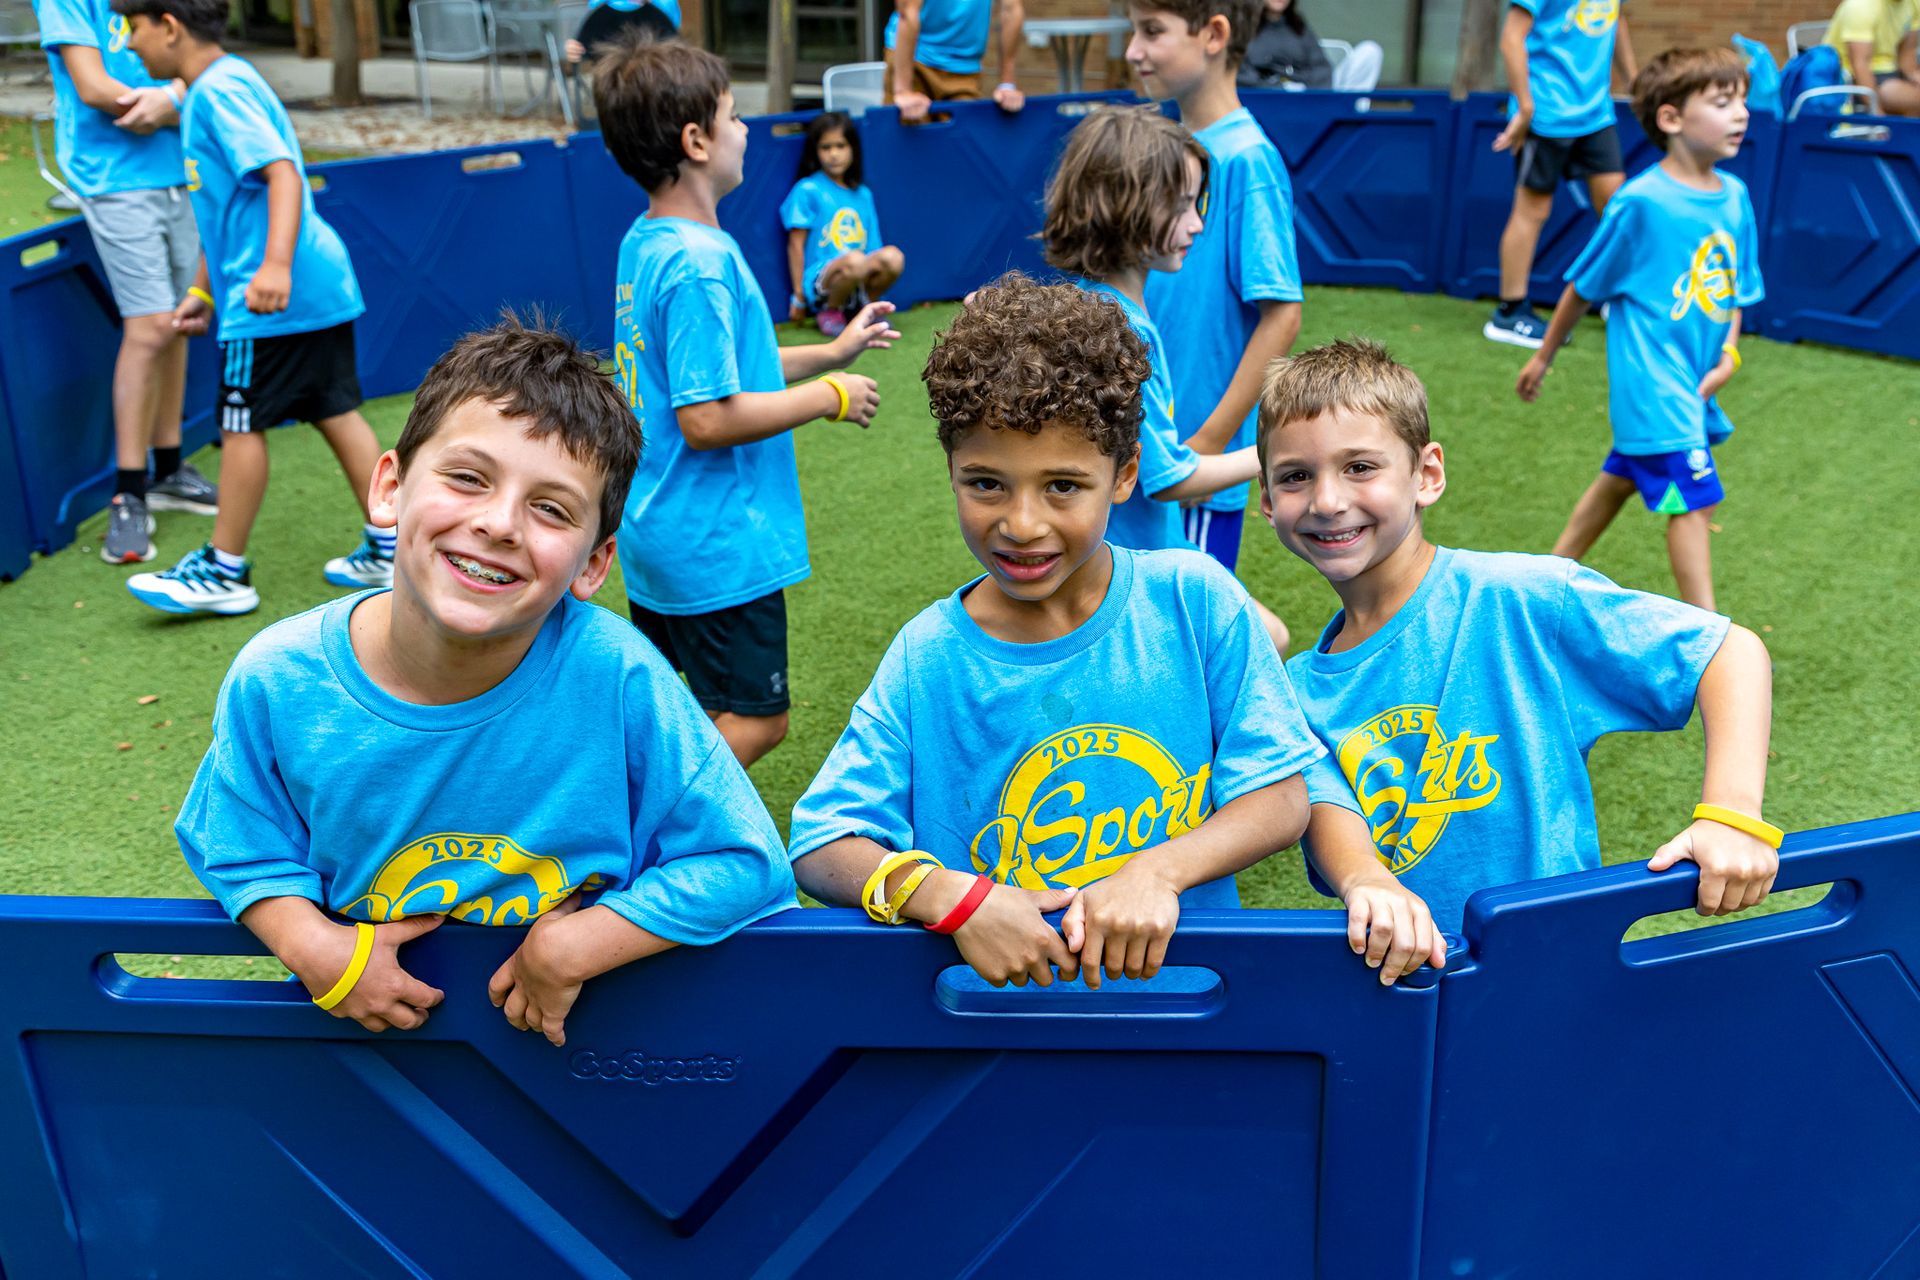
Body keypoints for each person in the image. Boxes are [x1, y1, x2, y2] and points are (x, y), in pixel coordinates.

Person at [175, 317, 796, 1045]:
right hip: (372, 1059)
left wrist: (577, 945)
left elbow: (745, 861)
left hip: (584, 1050)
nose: (500, 523)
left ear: (594, 564)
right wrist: (317, 950)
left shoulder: (619, 676)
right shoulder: (277, 680)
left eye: (551, 508)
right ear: (390, 489)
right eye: (468, 478)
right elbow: (236, 840)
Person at [789, 274, 1322, 990]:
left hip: (1178, 1015)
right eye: (986, 483)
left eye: (1063, 486)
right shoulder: (929, 655)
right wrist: (956, 899)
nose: (1022, 523)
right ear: (950, 470)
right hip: (995, 1031)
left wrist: (1156, 873)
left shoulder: (1196, 602)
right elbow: (823, 845)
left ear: (1125, 473)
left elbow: (1282, 798)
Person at [1257, 338, 1779, 967]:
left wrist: (1731, 815)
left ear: (1427, 474)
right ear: (1265, 499)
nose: (1327, 500)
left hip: (1554, 969)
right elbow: (1327, 813)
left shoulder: (1522, 598)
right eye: (1295, 476)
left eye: (1360, 467)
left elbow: (1730, 651)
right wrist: (1366, 879)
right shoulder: (1293, 690)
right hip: (1397, 989)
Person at [593, 37, 899, 767]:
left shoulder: (650, 242)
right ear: (695, 141)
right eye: (734, 116)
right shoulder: (700, 265)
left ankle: (652, 827)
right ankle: (644, 833)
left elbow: (720, 370)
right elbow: (707, 420)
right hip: (715, 547)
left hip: (662, 531)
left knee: (698, 707)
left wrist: (828, 352)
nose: (747, 130)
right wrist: (828, 394)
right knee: (756, 721)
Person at [115, 0, 394, 616]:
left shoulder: (217, 92)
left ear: (169, 25)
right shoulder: (216, 87)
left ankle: (223, 570)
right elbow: (228, 212)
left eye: (133, 28)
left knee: (241, 422)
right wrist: (202, 290)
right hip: (314, 284)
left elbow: (282, 176)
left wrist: (273, 266)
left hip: (275, 293)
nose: (129, 45)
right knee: (335, 408)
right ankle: (390, 544)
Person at [1517, 48, 1761, 612]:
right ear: (1671, 119)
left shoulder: (1737, 198)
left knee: (1622, 476)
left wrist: (1729, 355)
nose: (1742, 113)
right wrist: (1544, 356)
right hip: (1654, 386)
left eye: (1743, 100)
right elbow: (1583, 285)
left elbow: (1737, 291)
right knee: (1693, 501)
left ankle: (1545, 581)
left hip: (1694, 381)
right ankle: (1710, 635)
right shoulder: (1641, 202)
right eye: (1723, 102)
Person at [1045, 104, 1290, 650]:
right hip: (1139, 569)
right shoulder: (1127, 330)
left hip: (1110, 563)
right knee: (1268, 639)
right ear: (1124, 207)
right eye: (1180, 206)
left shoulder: (1089, 308)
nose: (1197, 224)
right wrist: (1278, 454)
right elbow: (1168, 478)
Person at [33, 0, 219, 565]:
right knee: (148, 329)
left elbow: (201, 63)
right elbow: (92, 87)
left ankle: (167, 469)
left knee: (180, 320)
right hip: (112, 179)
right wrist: (171, 100)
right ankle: (129, 491)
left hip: (179, 171)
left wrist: (174, 98)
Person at [1133, 0, 1304, 573]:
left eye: (1151, 32)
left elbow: (1282, 316)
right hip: (1147, 444)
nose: (1134, 51)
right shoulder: (1170, 148)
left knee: (1188, 638)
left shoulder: (1248, 159)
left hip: (1194, 466)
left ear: (1214, 35)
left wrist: (1207, 443)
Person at [1485, 0, 1638, 348]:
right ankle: (1510, 313)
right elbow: (1511, 39)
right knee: (1532, 209)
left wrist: (1634, 82)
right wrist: (1525, 107)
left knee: (1618, 206)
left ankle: (1618, 296)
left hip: (1597, 114)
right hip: (1546, 111)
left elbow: (1617, 21)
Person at [780, 111, 906, 338]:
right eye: (826, 147)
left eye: (840, 145)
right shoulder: (808, 189)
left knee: (893, 256)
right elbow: (795, 246)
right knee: (855, 260)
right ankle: (831, 311)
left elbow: (874, 244)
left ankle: (868, 308)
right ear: (815, 151)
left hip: (859, 274)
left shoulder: (863, 194)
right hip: (823, 280)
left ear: (853, 149)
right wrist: (797, 296)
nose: (834, 154)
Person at [885, 0, 1027, 123]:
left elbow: (1011, 8)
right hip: (914, 59)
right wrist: (903, 90)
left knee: (961, 145)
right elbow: (908, 12)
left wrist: (1007, 84)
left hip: (964, 67)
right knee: (905, 144)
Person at [1824, 0, 1920, 116]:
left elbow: (1907, 55)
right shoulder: (1861, 5)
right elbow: (1860, 65)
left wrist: (1915, 77)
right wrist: (1877, 114)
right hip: (1850, 79)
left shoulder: (1913, 3)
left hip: (1890, 73)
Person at [1236, 0, 1331, 89]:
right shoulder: (1244, 27)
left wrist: (1310, 95)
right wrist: (1274, 88)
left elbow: (1321, 68)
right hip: (1258, 96)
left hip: (1301, 98)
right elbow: (1238, 71)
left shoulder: (1299, 27)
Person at [562, 0, 676, 67]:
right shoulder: (599, 4)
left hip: (656, 75)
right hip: (612, 77)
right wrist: (574, 49)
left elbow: (673, 45)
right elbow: (585, 42)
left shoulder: (665, 4)